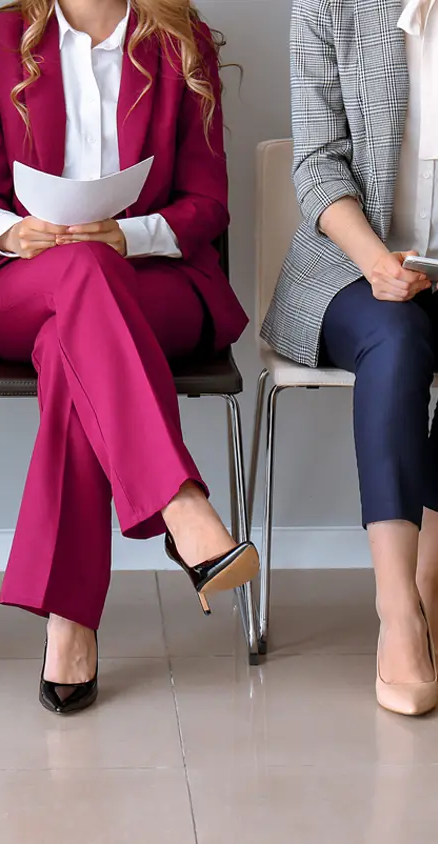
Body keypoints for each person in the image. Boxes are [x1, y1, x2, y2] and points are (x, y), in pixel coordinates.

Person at [0, 0, 258, 715]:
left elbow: (208, 204)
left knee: (75, 342)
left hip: (156, 284)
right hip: (23, 282)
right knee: (80, 282)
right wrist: (11, 233)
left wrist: (125, 236)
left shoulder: (182, 39)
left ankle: (71, 620)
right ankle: (179, 503)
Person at [262, 0, 438, 716]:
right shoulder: (329, 5)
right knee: (396, 342)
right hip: (346, 265)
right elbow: (315, 164)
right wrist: (378, 265)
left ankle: (430, 582)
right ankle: (398, 611)